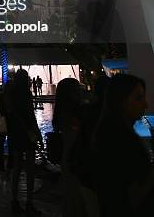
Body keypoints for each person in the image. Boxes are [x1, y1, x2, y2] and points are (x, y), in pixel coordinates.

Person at [94, 74, 154, 216]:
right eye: (138, 98)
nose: (145, 105)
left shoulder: (108, 133)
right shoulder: (119, 141)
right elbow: (130, 198)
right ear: (121, 101)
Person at [6, 69, 43, 215]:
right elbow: (30, 115)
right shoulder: (26, 94)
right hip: (27, 133)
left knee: (16, 168)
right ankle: (29, 202)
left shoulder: (10, 95)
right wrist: (37, 132)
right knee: (30, 169)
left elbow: (9, 114)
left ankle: (14, 201)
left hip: (15, 133)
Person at [52, 77, 86, 217]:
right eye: (77, 90)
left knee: (71, 200)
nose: (80, 93)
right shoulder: (71, 114)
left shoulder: (61, 113)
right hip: (75, 159)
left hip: (69, 157)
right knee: (76, 199)